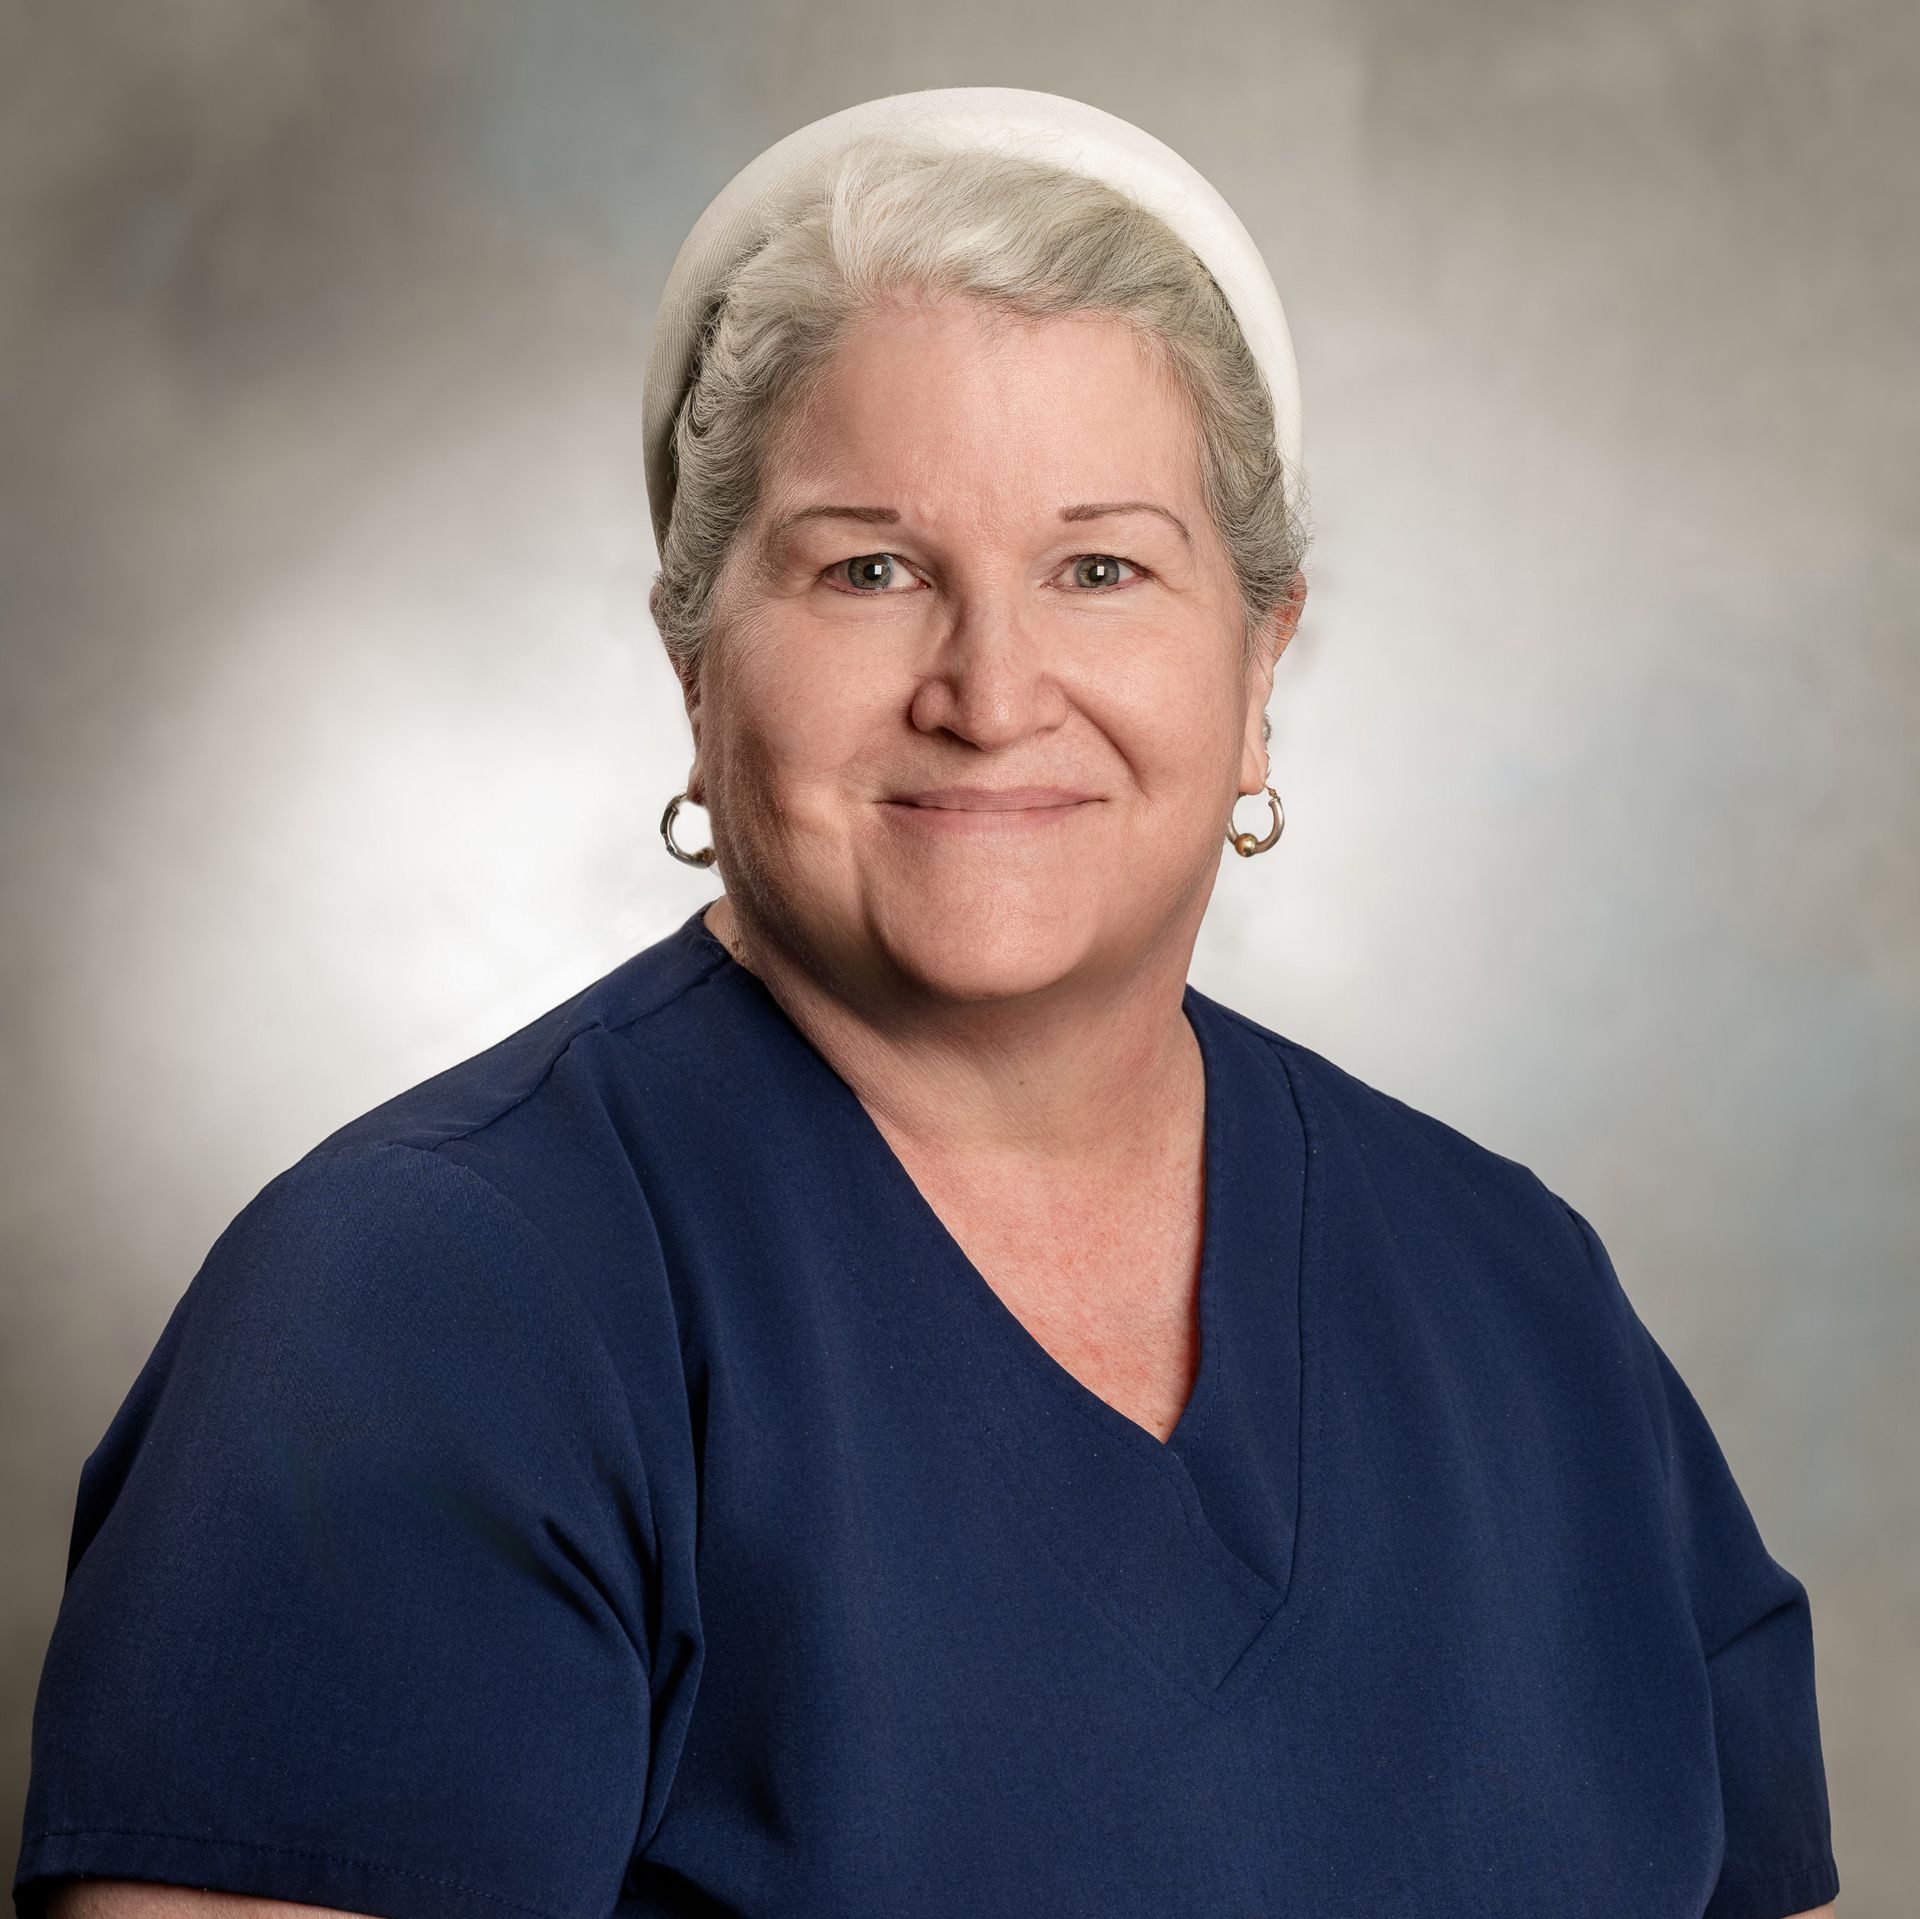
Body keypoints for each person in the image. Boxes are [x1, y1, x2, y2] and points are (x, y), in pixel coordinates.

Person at [13, 87, 1839, 1919]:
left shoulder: (1526, 1302)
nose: (990, 687)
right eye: (870, 567)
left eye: (1101, 567)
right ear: (694, 656)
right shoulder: (425, 1304)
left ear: (1262, 662)